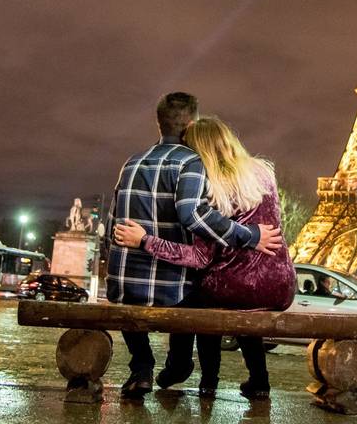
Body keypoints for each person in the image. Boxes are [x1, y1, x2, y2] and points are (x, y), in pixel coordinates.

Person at [106, 93, 284, 400]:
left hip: (125, 287)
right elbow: (193, 215)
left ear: (158, 123)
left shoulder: (131, 163)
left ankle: (143, 366)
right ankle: (181, 363)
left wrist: (134, 243)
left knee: (159, 295)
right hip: (177, 290)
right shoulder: (194, 163)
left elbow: (113, 223)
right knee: (197, 292)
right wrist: (250, 235)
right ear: (191, 125)